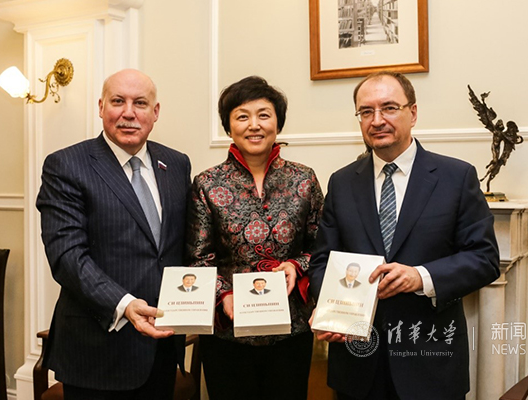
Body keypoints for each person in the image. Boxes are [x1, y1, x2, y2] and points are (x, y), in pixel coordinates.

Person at [308, 71, 500, 400]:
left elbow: (484, 258)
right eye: (366, 111)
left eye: (389, 108)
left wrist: (420, 277)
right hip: (357, 364)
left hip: (430, 363)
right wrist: (329, 307)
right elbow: (322, 260)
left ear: (413, 113)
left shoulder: (456, 177)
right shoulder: (341, 182)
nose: (377, 120)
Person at [36, 69, 191, 400]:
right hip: (97, 349)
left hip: (161, 346)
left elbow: (180, 247)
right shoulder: (66, 165)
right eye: (118, 101)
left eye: (140, 103)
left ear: (155, 112)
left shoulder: (177, 164)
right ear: (101, 107)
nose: (129, 113)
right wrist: (125, 304)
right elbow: (67, 256)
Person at [187, 76, 324, 400]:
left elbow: (321, 247)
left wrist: (296, 265)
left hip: (291, 329)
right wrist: (223, 296)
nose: (254, 125)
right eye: (242, 116)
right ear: (228, 127)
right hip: (228, 334)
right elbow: (198, 257)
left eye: (264, 115)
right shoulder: (207, 184)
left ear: (278, 122)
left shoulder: (304, 179)